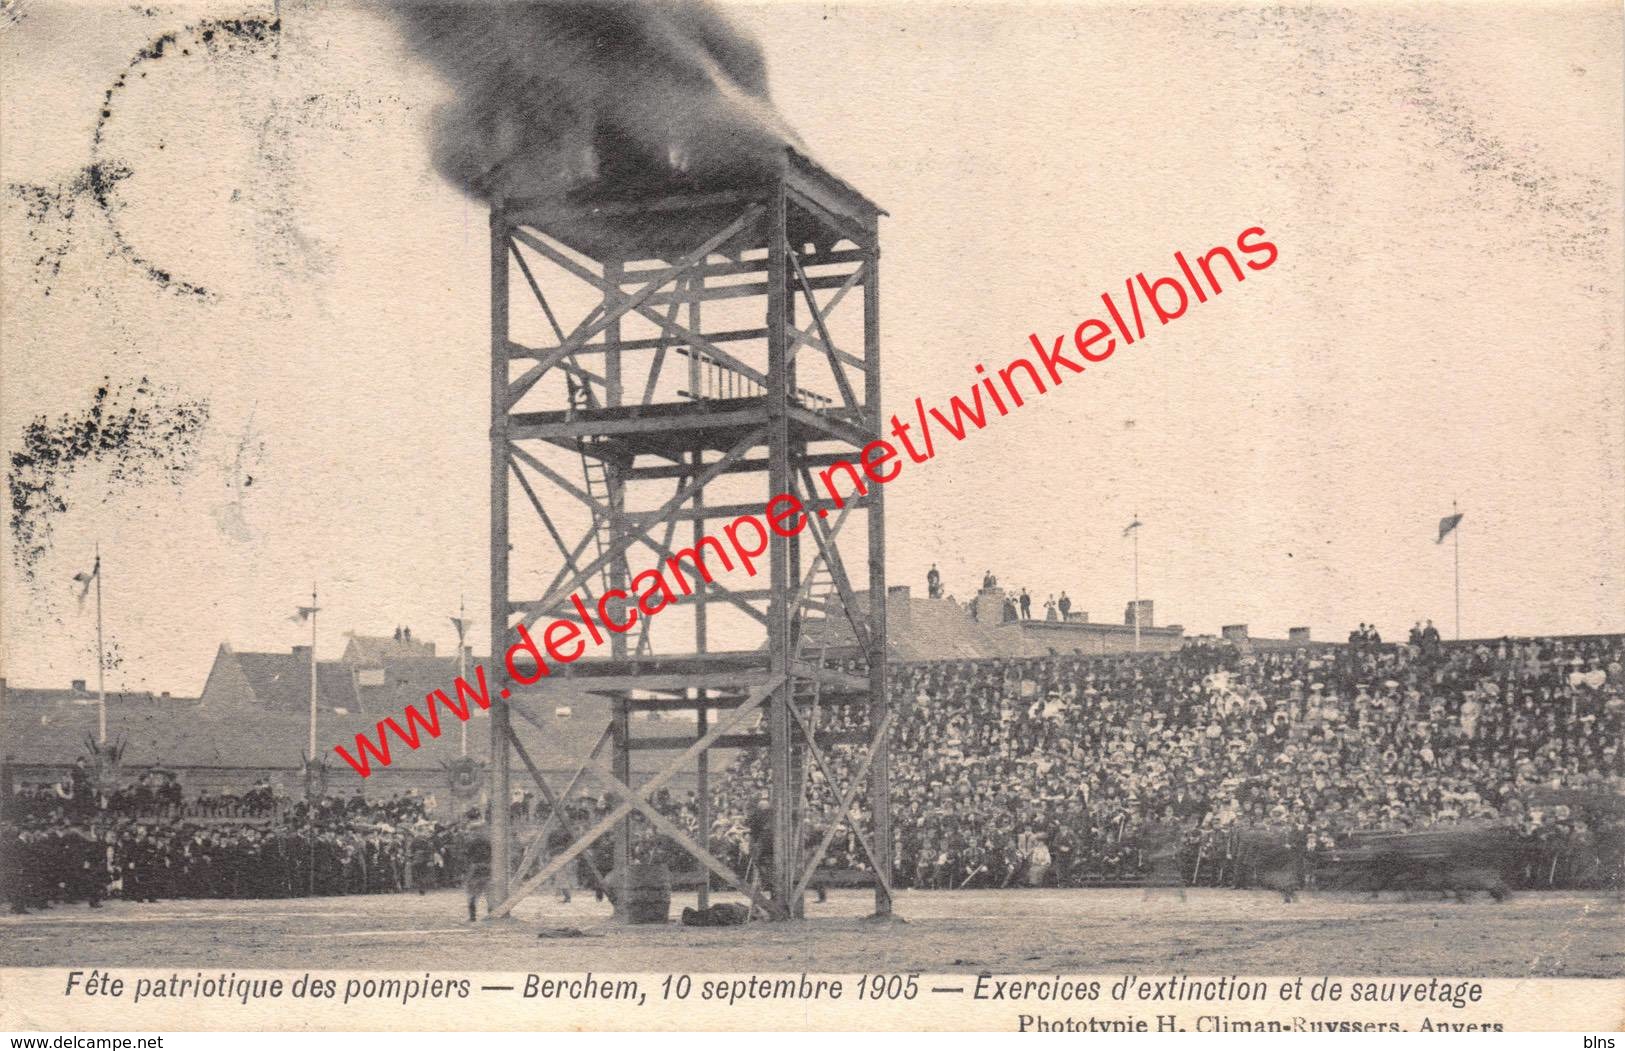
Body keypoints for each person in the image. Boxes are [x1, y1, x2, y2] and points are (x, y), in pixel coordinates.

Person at [461, 811, 492, 922]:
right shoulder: (488, 841)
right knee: (489, 893)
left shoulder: (470, 842)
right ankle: (491, 914)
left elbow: (466, 855)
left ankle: (472, 916)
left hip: (475, 868)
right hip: (488, 867)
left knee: (472, 893)